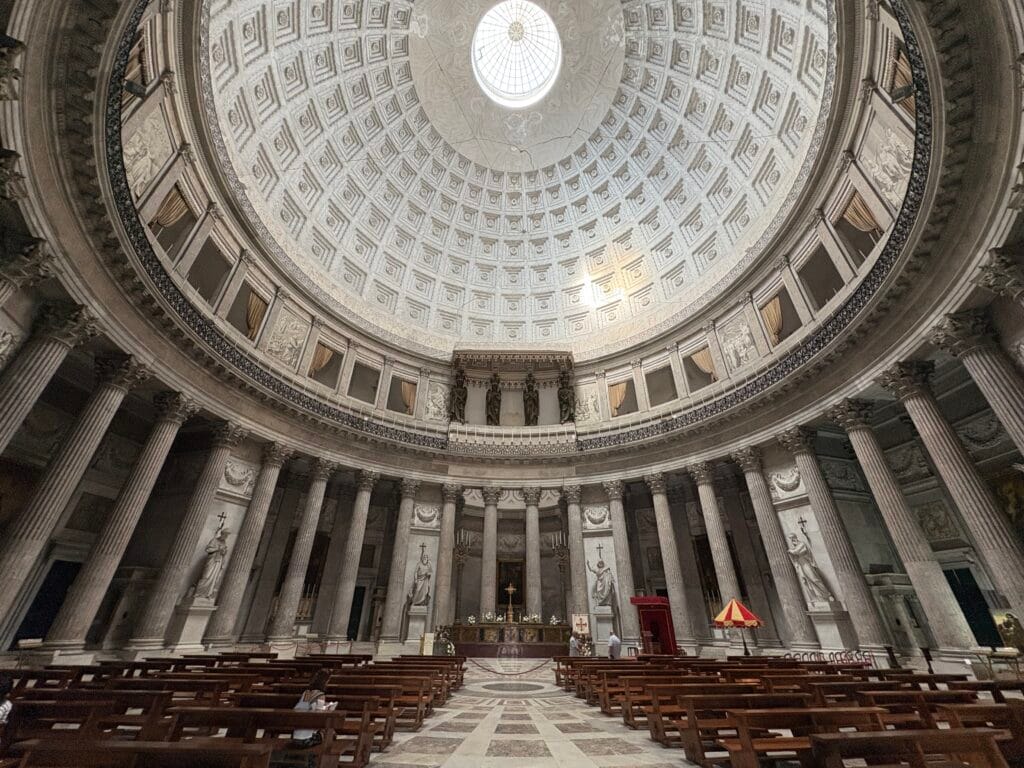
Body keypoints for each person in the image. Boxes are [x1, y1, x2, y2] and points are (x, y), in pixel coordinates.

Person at [291, 669, 336, 753]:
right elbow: (319, 717)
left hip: (295, 737)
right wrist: (328, 709)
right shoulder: (320, 695)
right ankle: (324, 756)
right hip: (307, 740)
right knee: (332, 734)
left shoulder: (306, 693)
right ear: (325, 682)